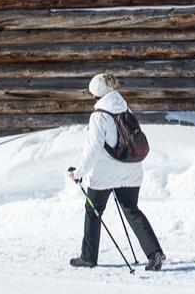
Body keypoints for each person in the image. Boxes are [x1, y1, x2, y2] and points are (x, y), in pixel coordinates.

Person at [68, 73, 166, 271]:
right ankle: (155, 254)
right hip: (131, 170)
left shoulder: (98, 116)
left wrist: (79, 172)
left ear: (95, 94)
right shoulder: (125, 108)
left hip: (104, 175)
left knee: (93, 212)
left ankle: (88, 258)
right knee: (131, 210)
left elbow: (93, 149)